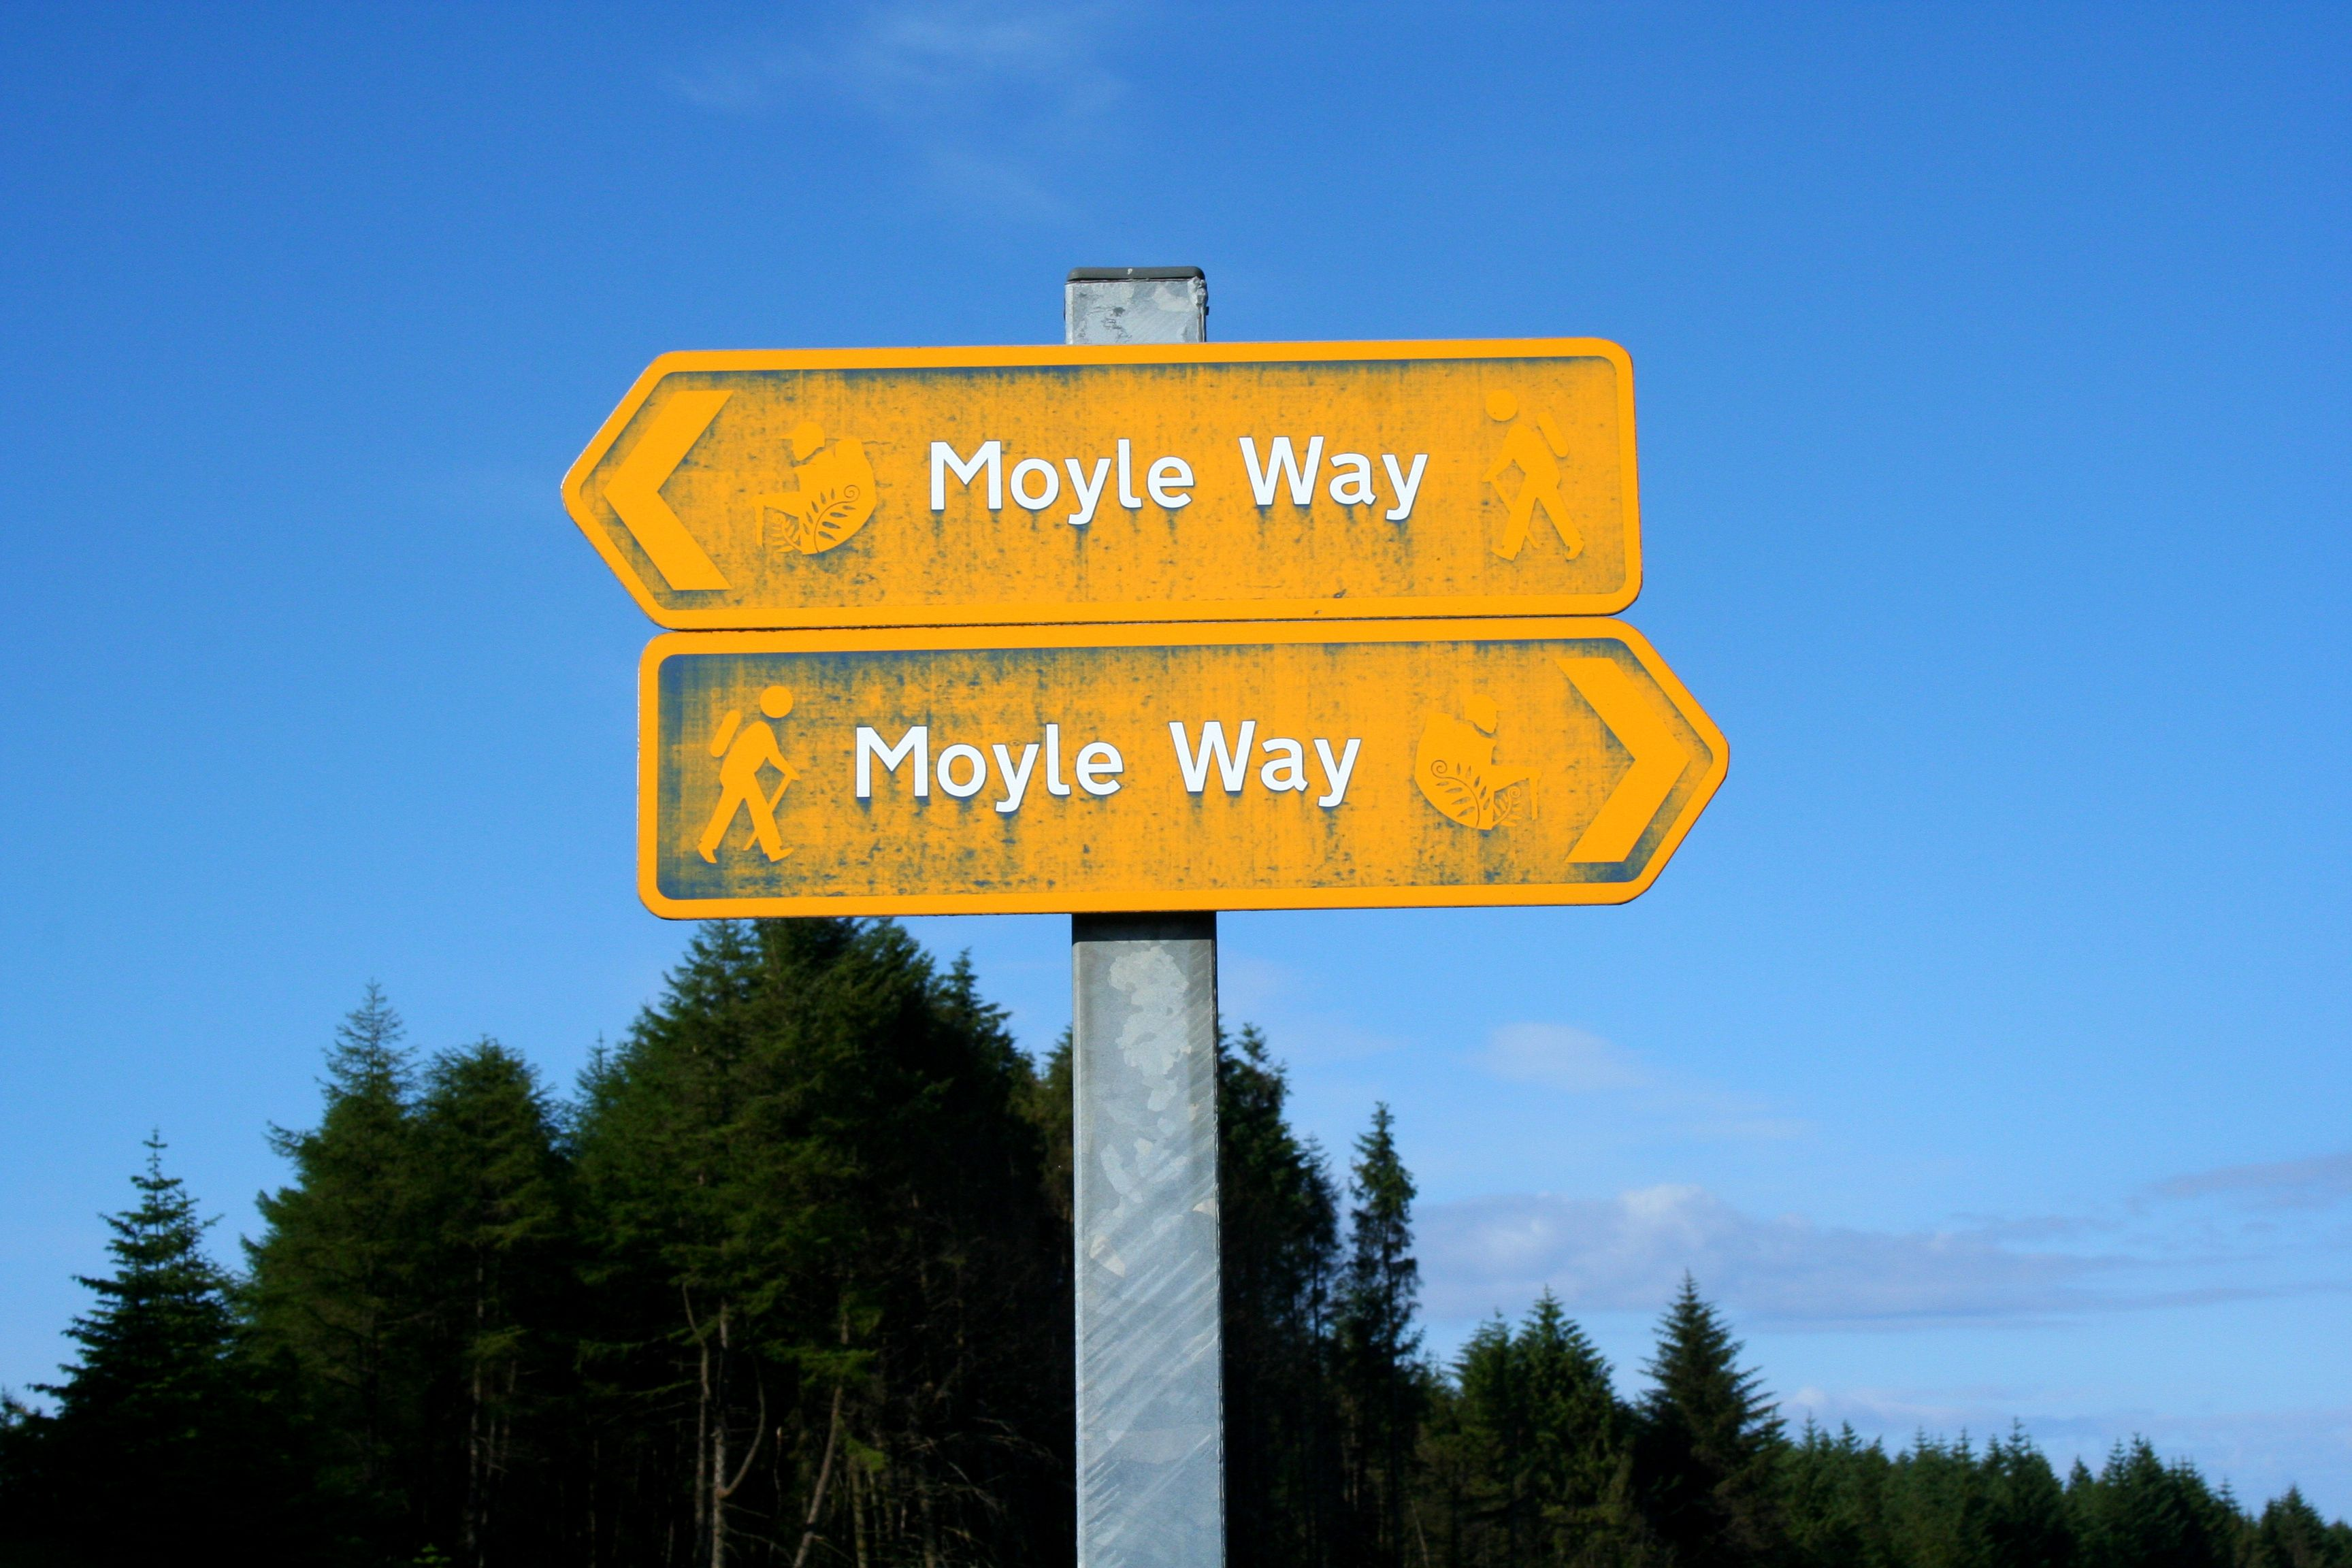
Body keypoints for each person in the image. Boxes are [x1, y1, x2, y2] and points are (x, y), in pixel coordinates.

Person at [696, 685, 800, 863]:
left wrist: (789, 772)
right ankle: (772, 850)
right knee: (757, 809)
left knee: (732, 810)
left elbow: (772, 757)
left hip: (739, 773)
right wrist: (791, 772)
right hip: (739, 774)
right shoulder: (762, 730)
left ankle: (708, 845)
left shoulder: (759, 729)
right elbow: (774, 758)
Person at [1480, 389, 1582, 560]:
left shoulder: (1516, 433)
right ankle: (1512, 549)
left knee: (1528, 508)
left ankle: (1512, 549)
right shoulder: (1519, 431)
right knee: (1537, 508)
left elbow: (1505, 458)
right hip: (1540, 474)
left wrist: (1489, 474)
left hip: (1540, 474)